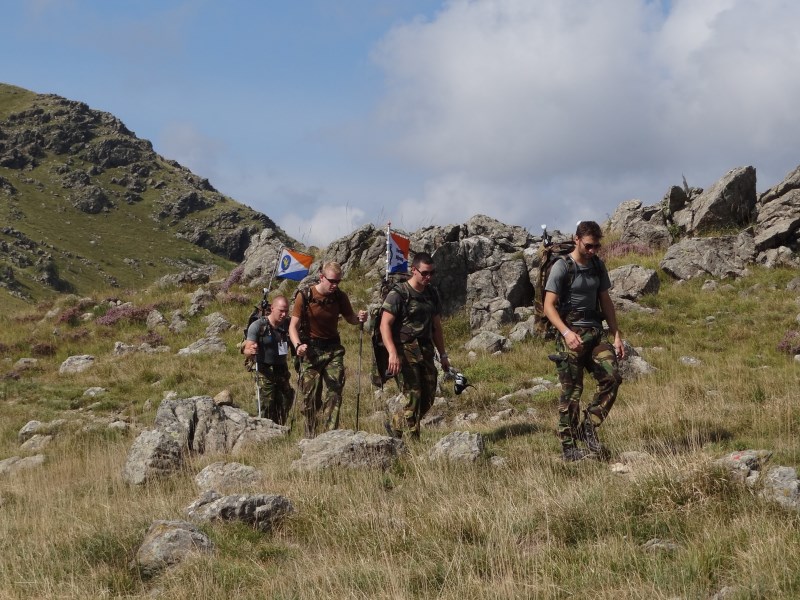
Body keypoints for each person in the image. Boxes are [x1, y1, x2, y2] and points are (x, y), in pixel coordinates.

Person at [543, 221, 625, 462]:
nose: (592, 251)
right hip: (571, 336)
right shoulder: (562, 267)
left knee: (612, 377)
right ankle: (569, 447)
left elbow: (605, 301)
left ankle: (589, 425)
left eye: (596, 246)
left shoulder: (598, 266)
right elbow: (549, 306)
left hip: (595, 333)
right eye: (589, 246)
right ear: (576, 239)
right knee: (572, 391)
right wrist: (567, 333)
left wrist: (616, 334)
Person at [289, 262, 367, 438]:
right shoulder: (305, 296)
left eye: (338, 282)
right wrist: (297, 346)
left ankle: (330, 436)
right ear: (321, 277)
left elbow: (351, 319)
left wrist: (359, 318)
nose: (335, 285)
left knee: (335, 391)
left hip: (333, 349)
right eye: (332, 281)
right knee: (310, 398)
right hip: (310, 350)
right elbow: (292, 326)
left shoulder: (340, 297)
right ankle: (310, 432)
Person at [380, 252, 451, 439]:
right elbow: (384, 324)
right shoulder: (398, 294)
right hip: (405, 350)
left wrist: (443, 355)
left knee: (428, 397)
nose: (429, 277)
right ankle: (413, 440)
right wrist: (392, 354)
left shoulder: (432, 293)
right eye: (425, 273)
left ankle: (397, 422)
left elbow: (436, 326)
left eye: (432, 273)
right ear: (414, 270)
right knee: (414, 394)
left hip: (426, 349)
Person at [242, 295, 294, 425]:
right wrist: (251, 351)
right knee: (266, 404)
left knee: (285, 400)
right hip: (264, 370)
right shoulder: (258, 326)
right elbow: (246, 350)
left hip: (282, 369)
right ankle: (265, 432)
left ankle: (280, 430)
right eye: (281, 310)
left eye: (286, 311)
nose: (284, 314)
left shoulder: (288, 325)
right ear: (272, 308)